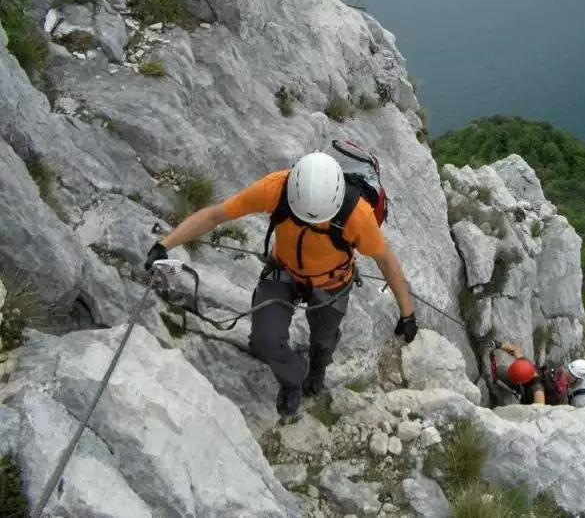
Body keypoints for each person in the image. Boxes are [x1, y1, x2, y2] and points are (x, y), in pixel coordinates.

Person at [144, 151, 418, 417]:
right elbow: (216, 215)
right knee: (264, 338)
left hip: (332, 280)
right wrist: (164, 245)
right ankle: (292, 379)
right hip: (284, 269)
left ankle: (317, 371)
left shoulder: (357, 215)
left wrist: (407, 314)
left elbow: (386, 261)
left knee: (323, 341)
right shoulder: (275, 188)